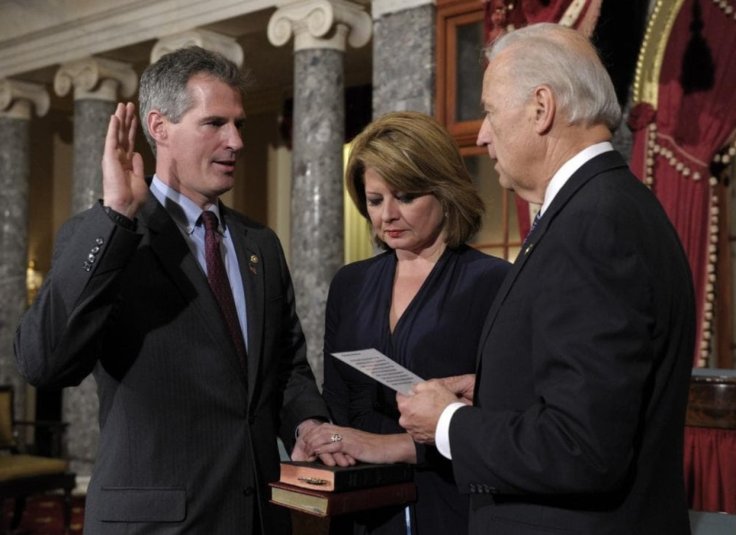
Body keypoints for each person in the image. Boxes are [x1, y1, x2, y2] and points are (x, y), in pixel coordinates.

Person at [14, 46, 336, 534]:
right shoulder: (108, 234)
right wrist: (117, 217)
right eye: (214, 124)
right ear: (159, 127)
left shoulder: (260, 245)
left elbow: (286, 364)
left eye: (239, 125)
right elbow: (44, 363)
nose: (236, 141)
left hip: (258, 518)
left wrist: (307, 422)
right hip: (156, 524)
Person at [396, 23, 695, 535]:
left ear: (541, 108)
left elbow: (582, 446)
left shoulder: (592, 224)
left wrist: (449, 424)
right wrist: (495, 390)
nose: (483, 134)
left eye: (489, 111)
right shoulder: (606, 206)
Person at [298, 111, 511, 535]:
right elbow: (337, 398)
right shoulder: (350, 283)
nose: (388, 215)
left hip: (450, 502)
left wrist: (387, 446)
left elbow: (500, 421)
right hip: (360, 502)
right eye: (375, 201)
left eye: (407, 196)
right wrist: (322, 438)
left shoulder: (493, 282)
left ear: (444, 191)